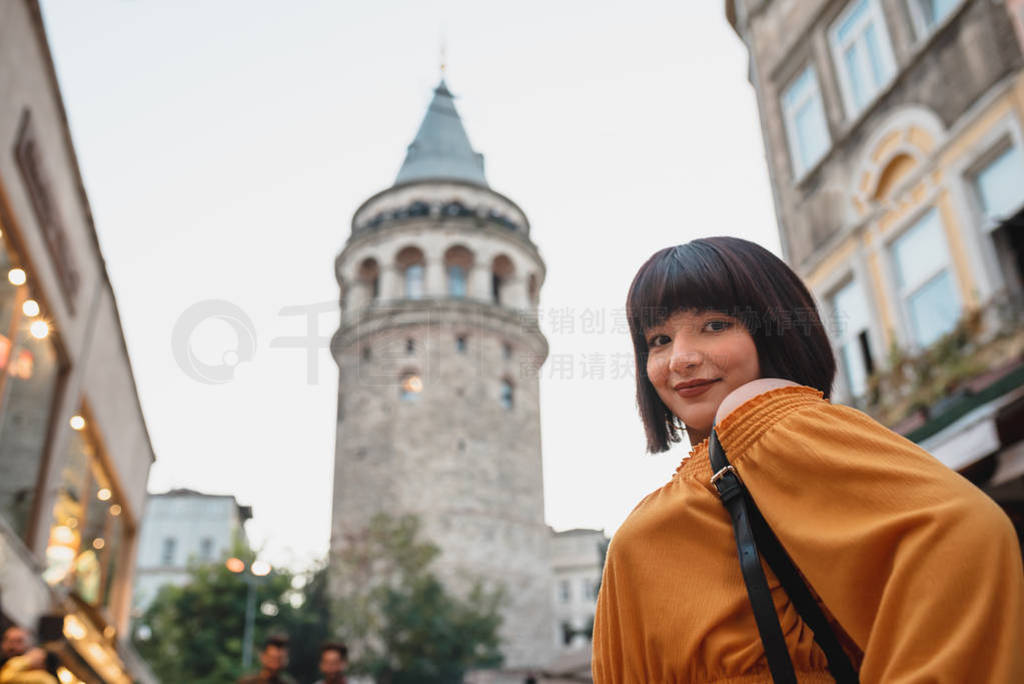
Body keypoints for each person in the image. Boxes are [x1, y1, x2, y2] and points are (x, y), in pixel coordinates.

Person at [592, 237, 1024, 682]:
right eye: (658, 340)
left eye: (716, 325)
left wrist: (756, 414)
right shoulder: (644, 535)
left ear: (776, 329)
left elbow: (965, 535)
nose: (679, 359)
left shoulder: (772, 426)